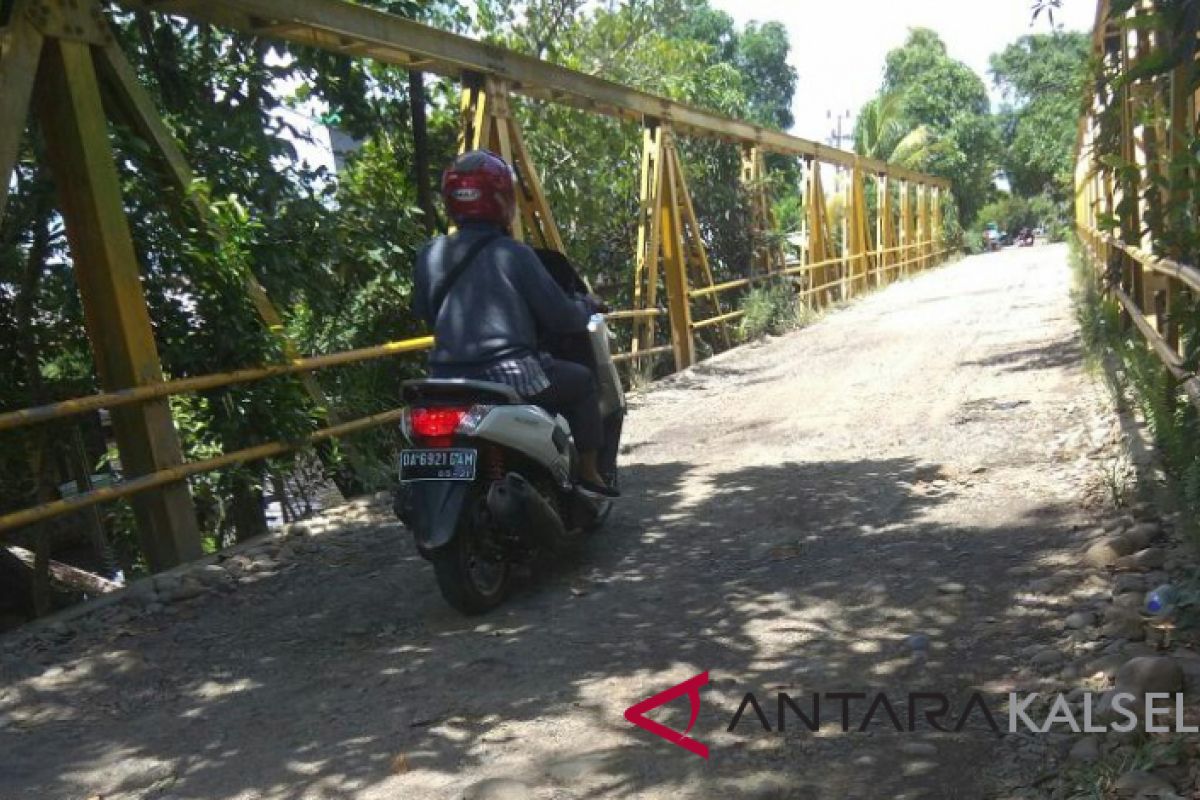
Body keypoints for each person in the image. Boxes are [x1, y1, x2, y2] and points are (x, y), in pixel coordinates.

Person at [412, 149, 618, 497]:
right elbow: (561, 317)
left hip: (444, 380)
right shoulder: (515, 254)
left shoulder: (429, 254)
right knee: (582, 382)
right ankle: (589, 474)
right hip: (509, 374)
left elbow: (425, 313)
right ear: (501, 199)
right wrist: (586, 304)